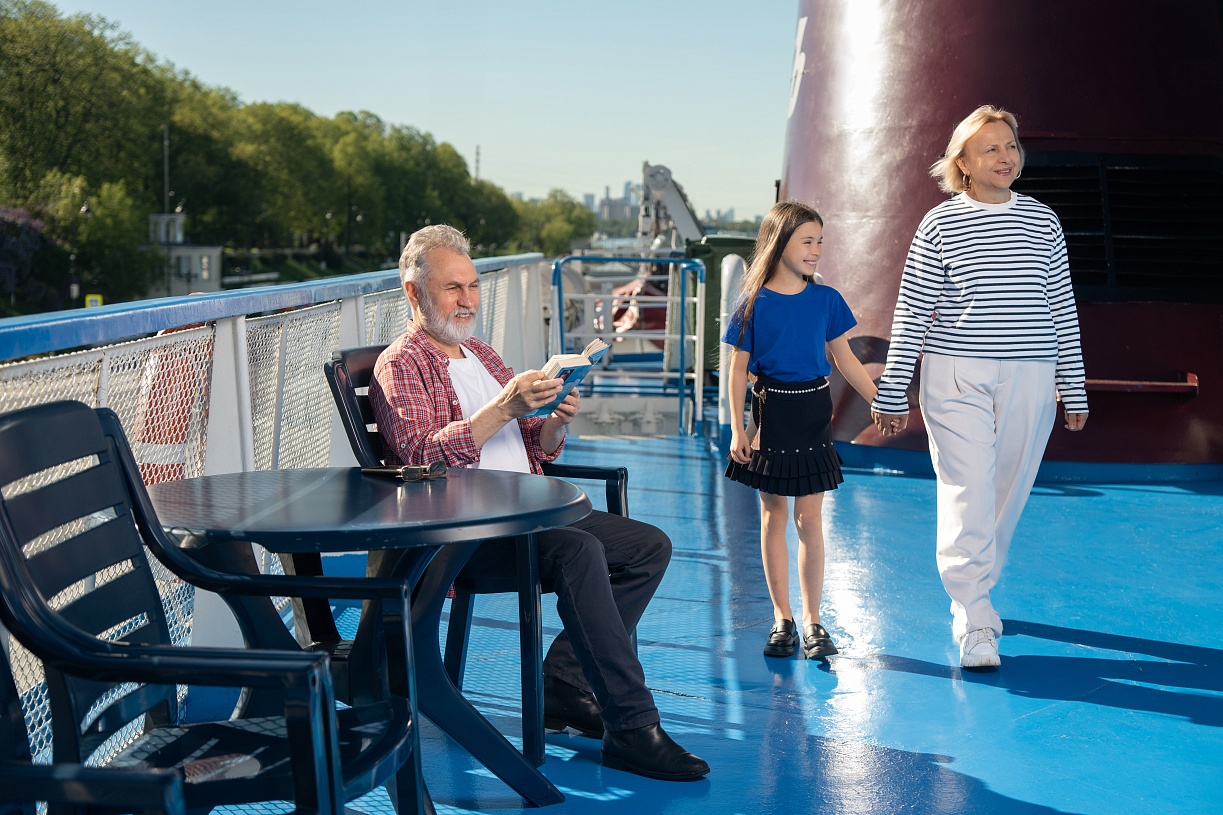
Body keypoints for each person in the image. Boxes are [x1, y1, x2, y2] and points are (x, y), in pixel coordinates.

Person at [368, 224, 709, 782]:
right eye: (453, 288)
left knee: (648, 546)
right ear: (414, 291)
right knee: (577, 551)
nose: (468, 300)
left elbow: (531, 444)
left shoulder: (481, 353)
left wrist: (553, 421)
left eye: (473, 286)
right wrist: (505, 406)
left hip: (528, 515)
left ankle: (564, 685)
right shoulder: (401, 364)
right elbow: (421, 456)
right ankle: (632, 726)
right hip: (465, 534)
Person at [869, 105, 1089, 670]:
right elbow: (913, 309)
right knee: (968, 489)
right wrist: (893, 390)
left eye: (1011, 146)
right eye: (990, 148)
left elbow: (1062, 306)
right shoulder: (939, 224)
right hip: (956, 371)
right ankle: (973, 615)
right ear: (962, 162)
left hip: (1031, 373)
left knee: (1006, 493)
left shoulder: (1043, 221)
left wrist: (1073, 385)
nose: (1005, 156)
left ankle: (977, 592)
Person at [722, 201, 879, 660]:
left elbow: (845, 359)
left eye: (820, 242)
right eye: (807, 241)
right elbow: (737, 371)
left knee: (810, 520)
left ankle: (813, 621)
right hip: (770, 415)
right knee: (773, 517)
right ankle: (782, 618)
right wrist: (738, 430)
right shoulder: (752, 303)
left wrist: (881, 399)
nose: (816, 250)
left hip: (813, 413)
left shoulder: (826, 300)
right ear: (779, 244)